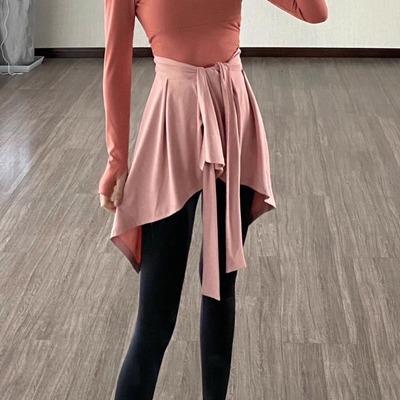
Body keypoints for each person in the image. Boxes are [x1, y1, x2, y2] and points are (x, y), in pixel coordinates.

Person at [98, 0, 328, 399]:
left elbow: (314, 12)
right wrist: (117, 159)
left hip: (232, 115)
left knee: (221, 287)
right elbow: (116, 62)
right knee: (156, 315)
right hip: (172, 125)